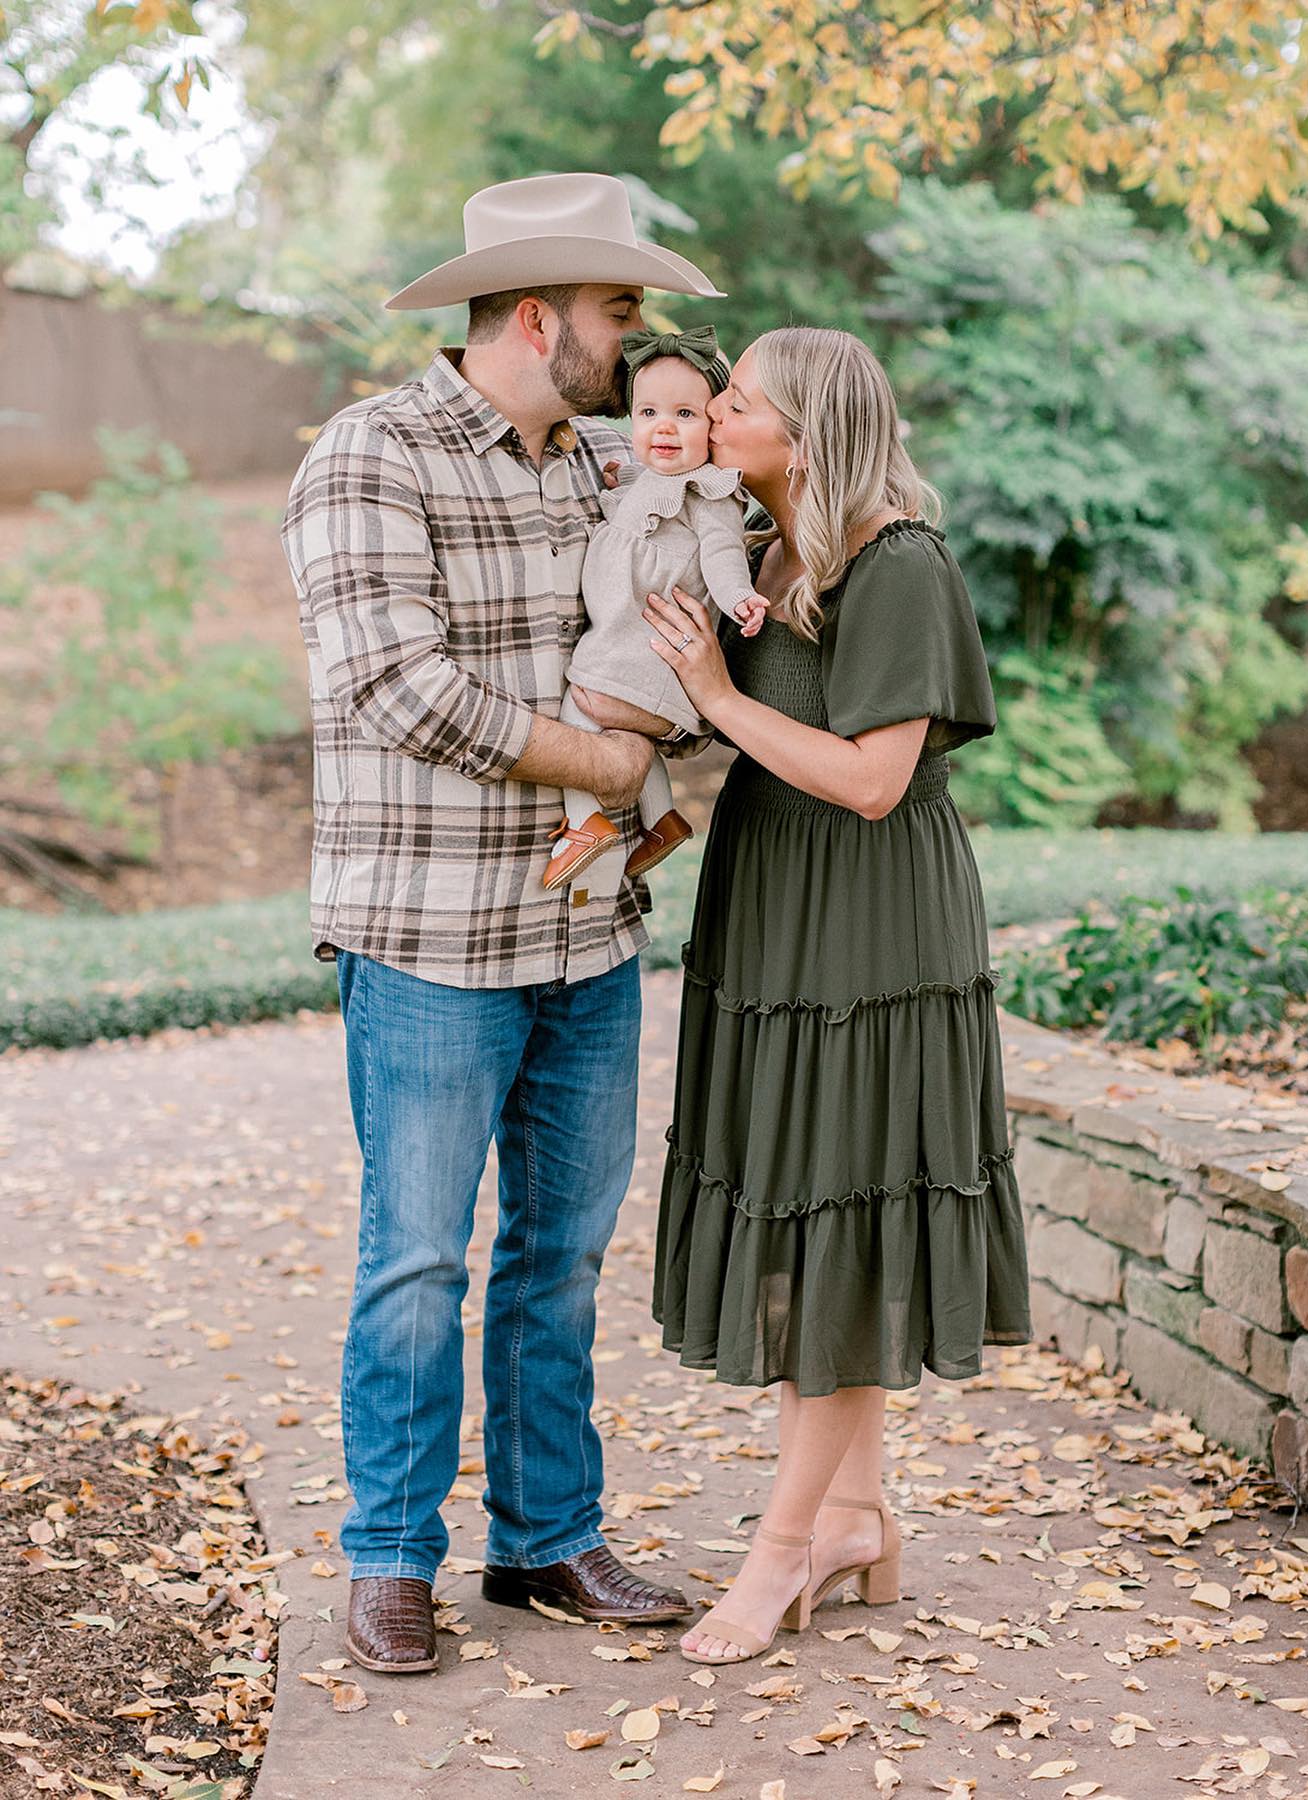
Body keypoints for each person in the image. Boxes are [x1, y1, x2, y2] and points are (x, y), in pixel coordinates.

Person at [281, 172, 723, 1675]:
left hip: (591, 937)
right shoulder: (368, 457)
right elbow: (397, 692)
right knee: (417, 1263)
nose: (635, 340)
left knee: (564, 1259)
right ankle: (392, 1555)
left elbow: (736, 541)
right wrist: (612, 760)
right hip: (430, 944)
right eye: (617, 312)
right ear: (538, 317)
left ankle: (543, 1544)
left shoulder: (620, 460)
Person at [630, 326, 1031, 1664]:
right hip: (774, 908)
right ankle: (854, 1514)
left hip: (871, 930)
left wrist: (709, 694)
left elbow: (871, 778)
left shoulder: (900, 563)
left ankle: (786, 1547)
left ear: (802, 438)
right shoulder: (765, 552)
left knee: (833, 1212)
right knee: (816, 1212)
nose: (714, 413)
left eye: (735, 398)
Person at [545, 325, 768, 894]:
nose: (663, 426)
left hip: (643, 647)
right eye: (647, 412)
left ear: (714, 424)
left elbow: (721, 553)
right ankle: (662, 819)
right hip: (627, 641)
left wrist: (738, 597)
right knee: (608, 720)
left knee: (580, 705)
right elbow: (650, 488)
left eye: (686, 415)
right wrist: (631, 478)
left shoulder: (711, 493)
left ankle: (583, 821)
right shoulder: (648, 477)